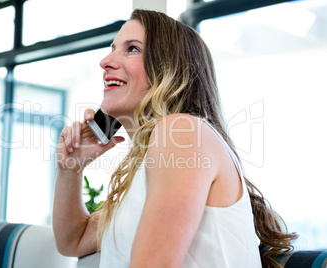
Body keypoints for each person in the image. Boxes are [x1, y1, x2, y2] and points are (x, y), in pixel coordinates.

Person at [52, 9, 297, 268]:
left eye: (132, 49)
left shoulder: (182, 133)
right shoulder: (158, 157)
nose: (105, 61)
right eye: (113, 48)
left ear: (171, 72)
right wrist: (71, 169)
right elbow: (73, 240)